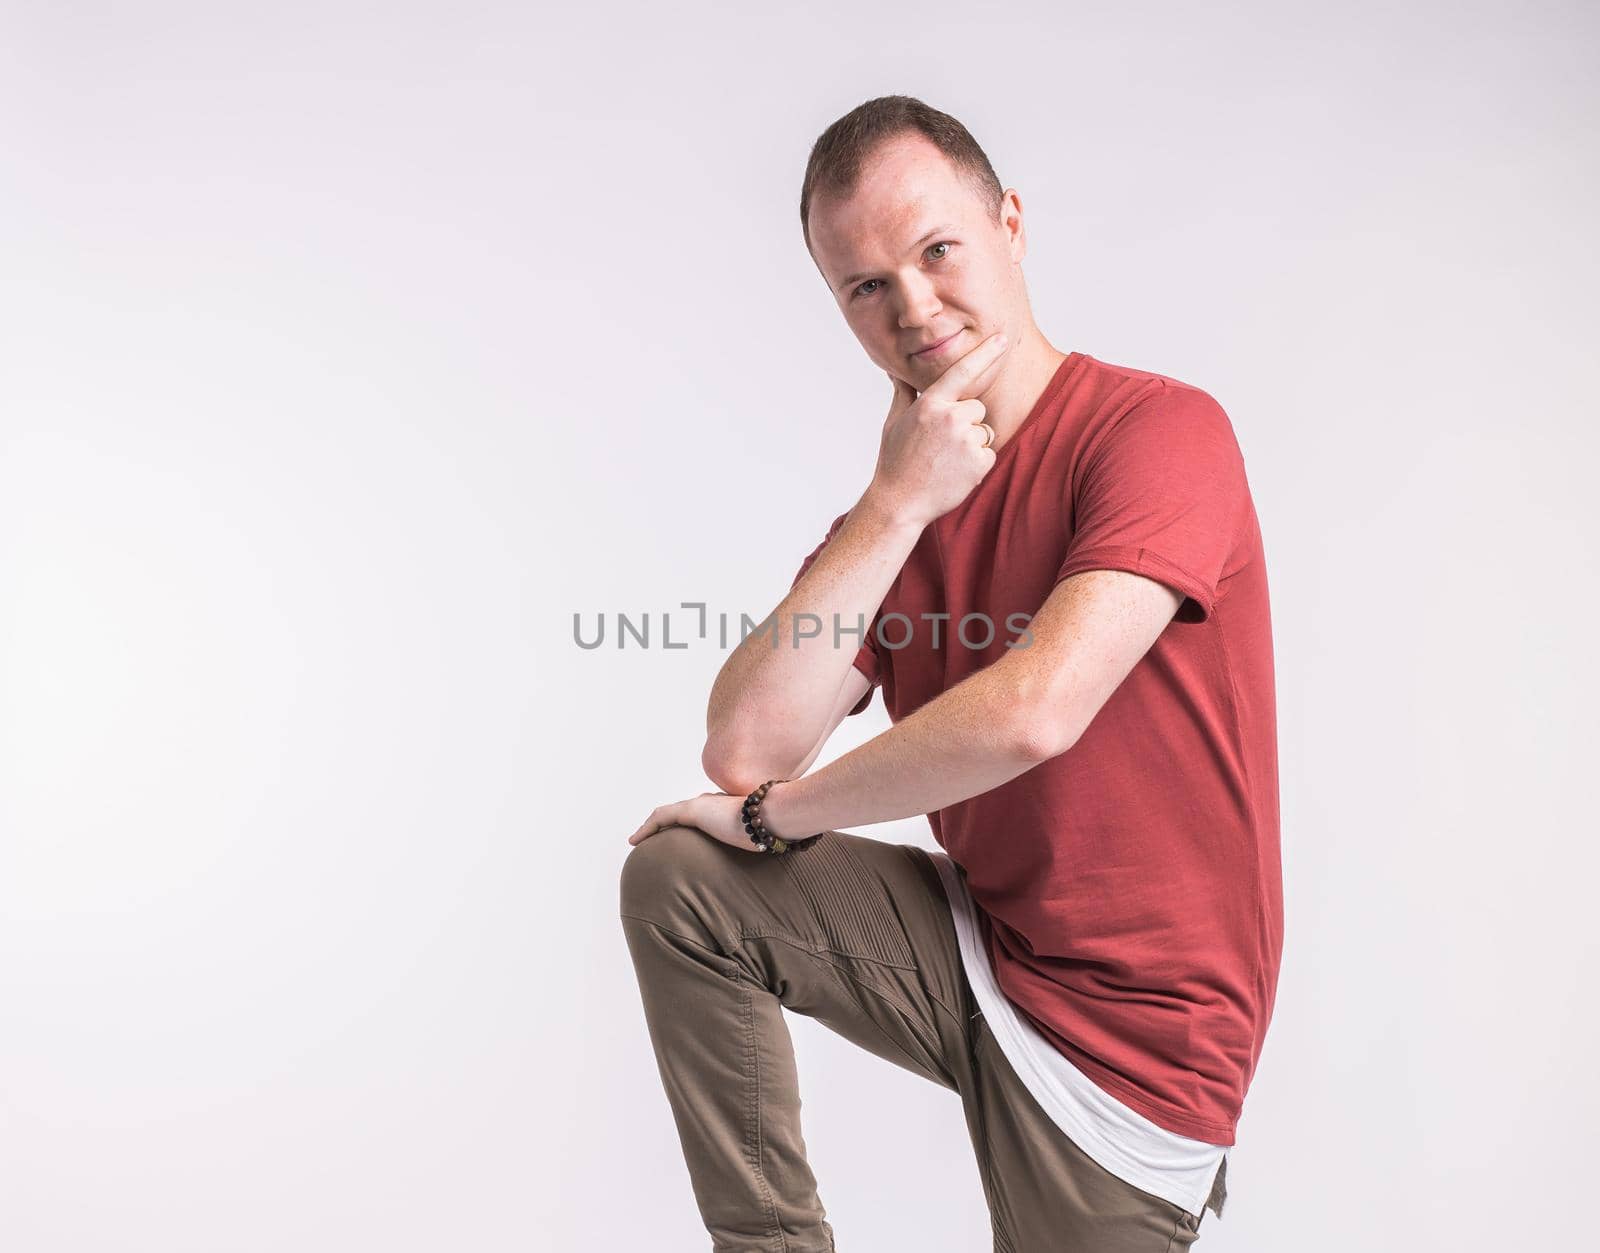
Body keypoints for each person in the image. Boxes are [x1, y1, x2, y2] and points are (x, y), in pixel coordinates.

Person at [619, 94, 1282, 1252]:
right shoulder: (898, 511)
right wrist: (895, 502)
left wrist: (777, 819)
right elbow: (742, 748)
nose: (913, 308)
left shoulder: (1159, 432)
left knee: (730, 840)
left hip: (1130, 1051)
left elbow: (1038, 708)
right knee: (682, 880)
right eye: (865, 286)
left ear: (1010, 226)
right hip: (981, 952)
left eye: (937, 252)